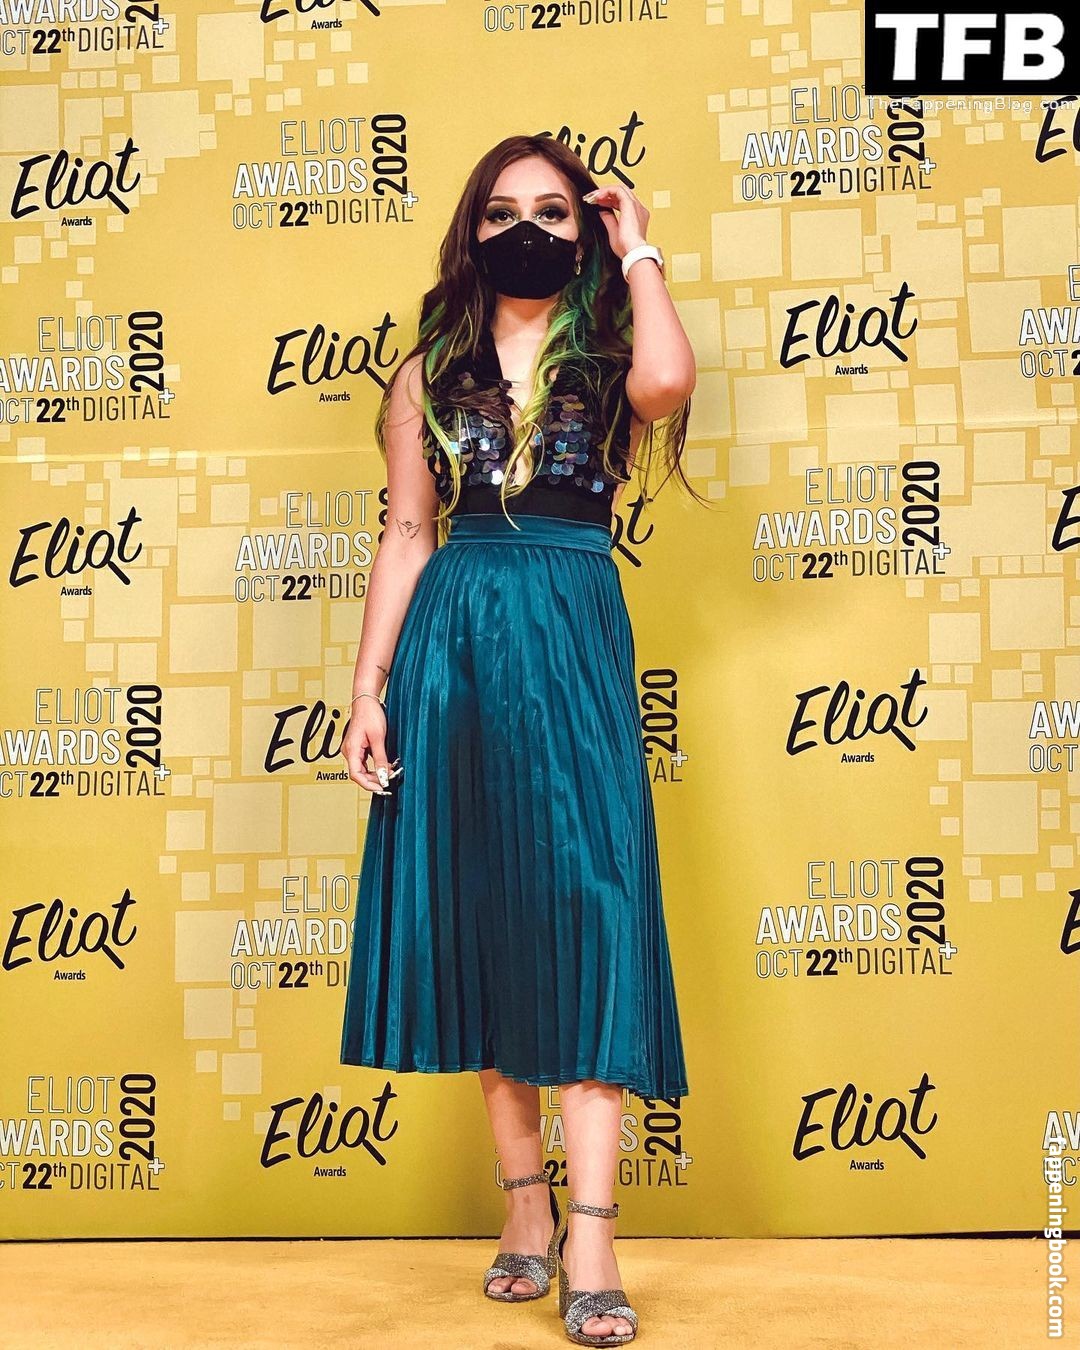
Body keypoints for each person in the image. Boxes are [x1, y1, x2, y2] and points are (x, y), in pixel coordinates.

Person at [339, 134, 703, 1347]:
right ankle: (527, 1211)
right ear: (473, 229)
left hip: (574, 632)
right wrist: (370, 687)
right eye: (504, 211)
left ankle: (595, 1236)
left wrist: (636, 246)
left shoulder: (612, 351)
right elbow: (408, 532)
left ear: (582, 230)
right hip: (456, 647)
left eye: (553, 210)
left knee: (595, 912)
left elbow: (668, 386)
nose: (527, 229)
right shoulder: (428, 369)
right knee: (487, 918)